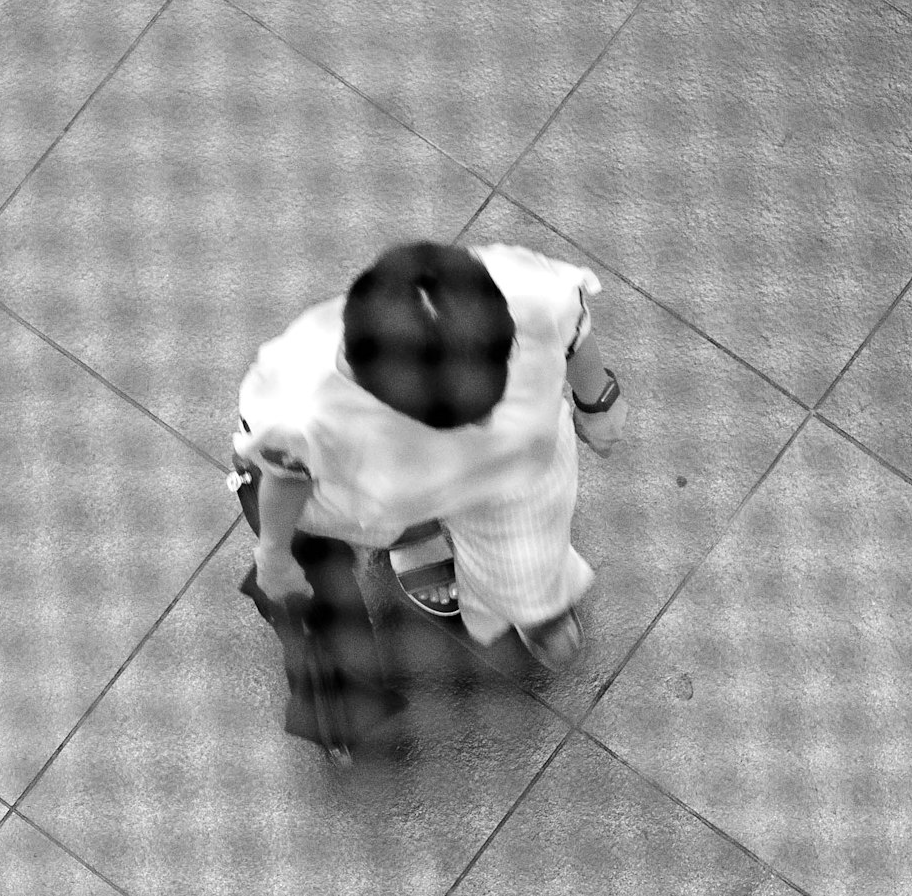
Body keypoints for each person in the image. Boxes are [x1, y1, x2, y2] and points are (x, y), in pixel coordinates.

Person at [230, 239, 626, 757]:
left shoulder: (529, 290)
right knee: (384, 517)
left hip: (508, 478)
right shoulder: (300, 402)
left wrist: (597, 401)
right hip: (376, 490)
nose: (484, 420)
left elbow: (573, 324)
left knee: (529, 550)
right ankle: (422, 537)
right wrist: (275, 553)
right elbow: (284, 475)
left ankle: (532, 600)